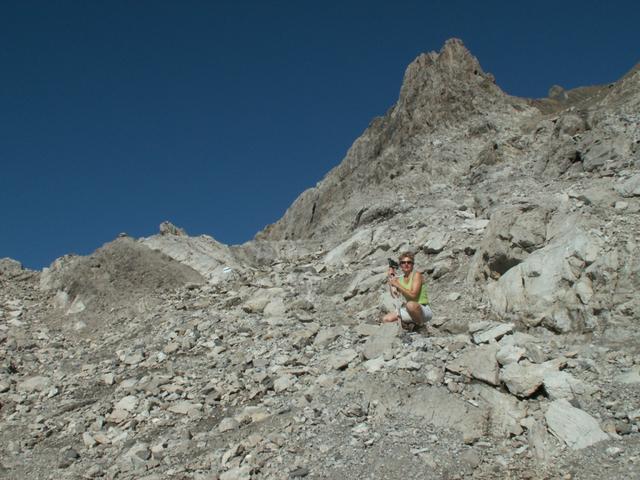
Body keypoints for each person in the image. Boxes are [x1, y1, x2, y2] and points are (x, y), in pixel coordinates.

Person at [382, 251, 433, 330]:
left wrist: (397, 284)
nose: (406, 264)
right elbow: (395, 295)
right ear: (400, 265)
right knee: (386, 319)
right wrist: (391, 280)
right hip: (409, 310)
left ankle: (421, 327)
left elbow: (413, 295)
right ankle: (409, 326)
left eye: (409, 262)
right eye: (403, 262)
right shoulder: (399, 279)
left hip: (422, 310)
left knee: (410, 305)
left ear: (412, 264)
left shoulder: (416, 275)